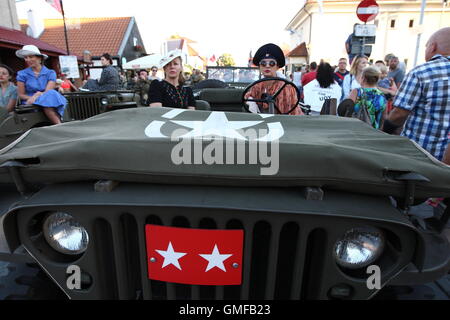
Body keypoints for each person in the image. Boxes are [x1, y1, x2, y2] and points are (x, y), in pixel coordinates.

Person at [383, 27, 450, 162]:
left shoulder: (422, 72)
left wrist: (383, 133)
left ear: (432, 47)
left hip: (421, 153)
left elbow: (399, 114)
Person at [244, 43, 302, 115]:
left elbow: (292, 110)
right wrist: (251, 102)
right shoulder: (257, 86)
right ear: (260, 67)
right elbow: (248, 96)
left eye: (272, 63)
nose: (267, 66)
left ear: (277, 66)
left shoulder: (287, 87)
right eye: (263, 63)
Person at [15, 45, 66, 124]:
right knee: (48, 99)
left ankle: (58, 124)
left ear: (39, 58)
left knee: (50, 95)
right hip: (30, 102)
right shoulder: (22, 74)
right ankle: (59, 124)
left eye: (31, 57)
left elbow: (48, 91)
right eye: (26, 57)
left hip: (48, 98)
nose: (28, 60)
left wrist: (37, 95)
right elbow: (21, 95)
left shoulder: (50, 73)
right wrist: (33, 97)